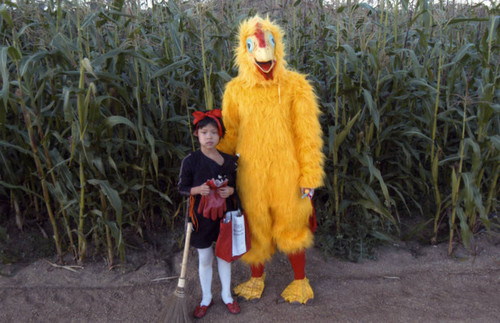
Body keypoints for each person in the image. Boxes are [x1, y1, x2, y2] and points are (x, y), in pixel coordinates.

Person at [217, 15, 325, 304]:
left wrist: (309, 175)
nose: (264, 57)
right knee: (255, 225)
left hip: (287, 175)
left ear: (278, 48)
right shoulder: (235, 91)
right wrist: (212, 161)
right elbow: (231, 134)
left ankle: (300, 282)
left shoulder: (296, 86)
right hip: (250, 175)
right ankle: (255, 279)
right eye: (253, 46)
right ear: (244, 50)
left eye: (269, 45)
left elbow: (308, 135)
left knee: (292, 223)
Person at [178, 109, 241, 318]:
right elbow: (182, 187)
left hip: (225, 217)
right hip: (200, 217)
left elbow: (238, 188)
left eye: (214, 133)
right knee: (205, 258)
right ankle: (206, 297)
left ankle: (227, 296)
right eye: (204, 132)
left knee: (224, 257)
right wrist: (197, 190)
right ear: (197, 134)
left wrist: (231, 190)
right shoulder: (191, 161)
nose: (209, 137)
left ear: (220, 135)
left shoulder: (231, 161)